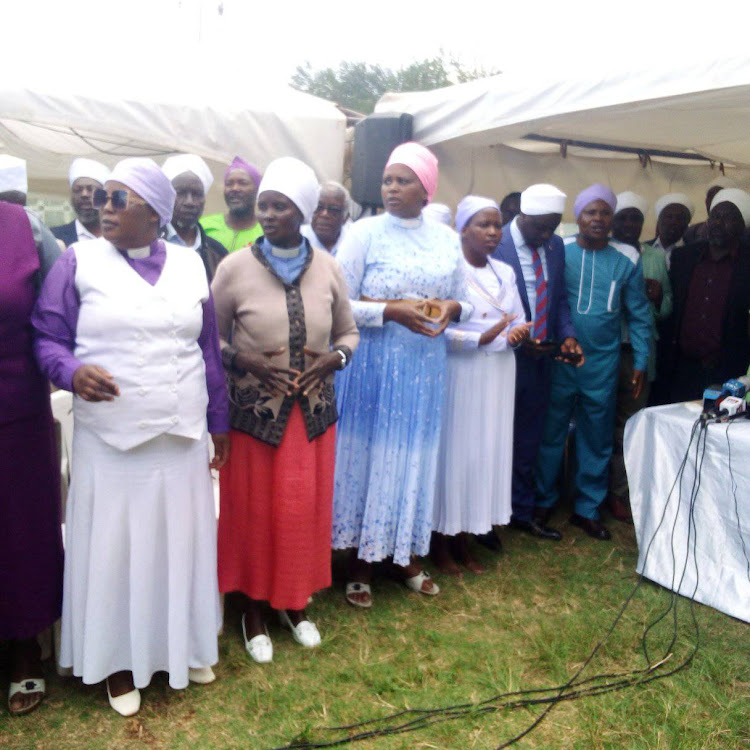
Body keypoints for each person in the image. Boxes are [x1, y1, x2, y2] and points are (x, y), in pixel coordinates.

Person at [32, 157, 229, 716]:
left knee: (179, 543)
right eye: (102, 198)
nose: (102, 207)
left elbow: (208, 350)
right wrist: (70, 372)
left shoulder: (192, 265)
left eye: (118, 199)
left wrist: (219, 424)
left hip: (183, 434)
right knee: (117, 549)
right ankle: (117, 660)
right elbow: (47, 336)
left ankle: (180, 647)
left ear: (154, 213)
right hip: (113, 441)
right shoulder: (78, 261)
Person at [212, 157, 358, 662]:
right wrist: (244, 359)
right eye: (264, 205)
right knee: (253, 512)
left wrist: (334, 360)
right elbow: (209, 338)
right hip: (254, 418)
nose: (269, 214)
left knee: (300, 511)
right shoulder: (234, 268)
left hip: (312, 417)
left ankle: (295, 603)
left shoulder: (329, 267)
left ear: (303, 213)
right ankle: (252, 609)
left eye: (280, 206)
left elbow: (349, 332)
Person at [332, 142, 470, 609]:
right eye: (388, 179)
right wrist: (389, 312)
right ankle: (360, 564)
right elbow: (339, 304)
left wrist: (452, 308)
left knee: (413, 459)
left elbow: (464, 301)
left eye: (403, 179)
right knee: (370, 458)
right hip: (373, 365)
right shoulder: (363, 233)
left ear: (426, 188)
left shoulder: (448, 239)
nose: (391, 188)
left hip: (423, 370)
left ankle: (406, 556)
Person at [535, 184, 651, 541]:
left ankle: (587, 508)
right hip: (560, 358)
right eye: (590, 212)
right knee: (551, 432)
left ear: (611, 218)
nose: (598, 219)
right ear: (578, 216)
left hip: (603, 361)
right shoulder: (558, 250)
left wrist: (642, 360)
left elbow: (639, 314)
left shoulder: (627, 258)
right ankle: (542, 502)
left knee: (596, 436)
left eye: (604, 213)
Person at [432, 196, 531, 575]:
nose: (492, 233)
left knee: (484, 453)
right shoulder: (448, 271)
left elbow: (520, 317)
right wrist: (480, 338)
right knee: (457, 454)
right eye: (483, 225)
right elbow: (439, 332)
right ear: (463, 228)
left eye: (497, 225)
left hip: (500, 370)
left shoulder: (505, 271)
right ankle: (440, 541)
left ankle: (467, 537)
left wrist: (517, 333)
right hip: (462, 372)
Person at [1, 200, 63, 717]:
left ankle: (26, 646)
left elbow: (55, 319)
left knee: (21, 529)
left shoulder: (25, 226)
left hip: (15, 404)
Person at [492, 184, 582, 542]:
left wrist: (568, 334)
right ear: (521, 216)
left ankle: (521, 511)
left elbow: (558, 299)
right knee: (496, 436)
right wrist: (516, 336)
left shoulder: (556, 245)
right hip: (501, 357)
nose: (546, 235)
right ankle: (488, 518)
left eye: (553, 227)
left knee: (530, 437)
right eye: (540, 227)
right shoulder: (494, 241)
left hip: (542, 358)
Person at [608, 192, 672, 522]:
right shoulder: (600, 252)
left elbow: (667, 312)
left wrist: (658, 299)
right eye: (624, 217)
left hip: (640, 353)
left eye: (636, 218)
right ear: (612, 221)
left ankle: (620, 493)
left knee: (630, 425)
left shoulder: (654, 258)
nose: (630, 224)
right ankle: (585, 491)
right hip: (606, 350)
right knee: (597, 422)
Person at [666, 188, 750, 402]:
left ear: (742, 226)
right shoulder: (683, 257)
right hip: (680, 369)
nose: (718, 224)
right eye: (715, 216)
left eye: (729, 218)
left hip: (727, 372)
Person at [161, 154, 227, 281]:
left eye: (196, 194)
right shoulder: (149, 242)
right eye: (180, 193)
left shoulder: (217, 252)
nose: (189, 202)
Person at [201, 156, 263, 252]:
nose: (235, 188)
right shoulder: (204, 226)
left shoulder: (265, 233)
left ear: (257, 189)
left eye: (243, 183)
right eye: (229, 183)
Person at [51, 158, 110, 246]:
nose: (84, 194)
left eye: (90, 189)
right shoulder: (53, 237)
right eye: (77, 190)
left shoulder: (121, 237)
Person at [643, 193, 694, 270]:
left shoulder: (693, 253)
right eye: (668, 217)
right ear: (658, 220)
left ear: (687, 224)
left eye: (679, 218)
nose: (673, 222)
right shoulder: (643, 249)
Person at [301, 180, 351, 255]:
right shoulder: (297, 239)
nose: (324, 214)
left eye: (333, 209)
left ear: (345, 218)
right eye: (319, 207)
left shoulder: (354, 242)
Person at [683, 176, 736, 245]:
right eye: (711, 197)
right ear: (706, 202)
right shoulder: (692, 232)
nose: (714, 202)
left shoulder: (741, 233)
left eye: (719, 197)